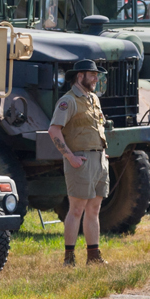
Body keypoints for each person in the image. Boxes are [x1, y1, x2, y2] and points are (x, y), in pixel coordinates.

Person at [51, 58, 110, 267]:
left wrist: (103, 152)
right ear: (80, 76)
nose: (95, 78)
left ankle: (93, 256)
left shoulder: (93, 98)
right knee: (76, 209)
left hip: (99, 158)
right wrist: (70, 156)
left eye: (96, 75)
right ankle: (69, 257)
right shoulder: (68, 101)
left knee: (94, 209)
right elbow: (54, 130)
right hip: (81, 159)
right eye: (92, 75)